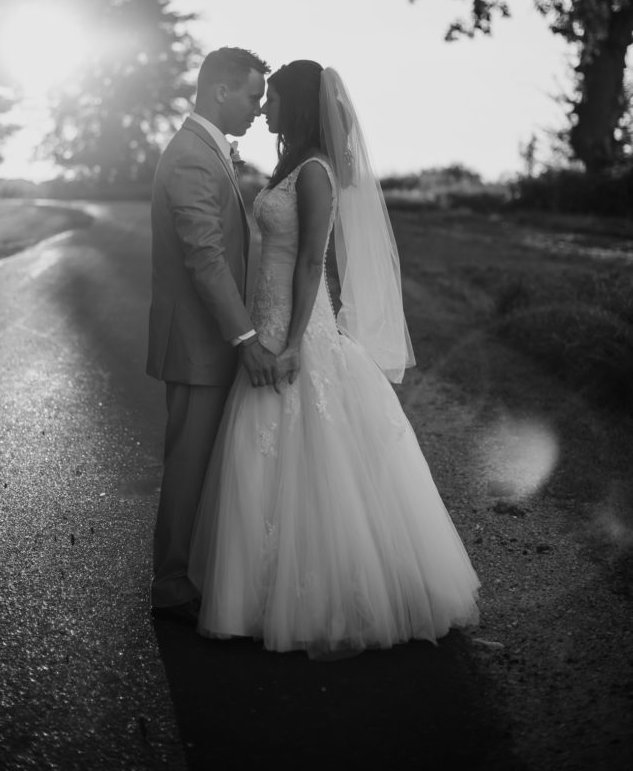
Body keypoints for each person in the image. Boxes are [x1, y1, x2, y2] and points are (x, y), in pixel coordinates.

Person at [189, 60, 480, 658]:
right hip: (264, 322)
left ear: (295, 107)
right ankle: (259, 594)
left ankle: (321, 599)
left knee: (309, 456)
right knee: (260, 456)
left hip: (297, 329)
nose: (263, 109)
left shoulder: (316, 172)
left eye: (271, 101)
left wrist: (293, 341)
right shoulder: (288, 166)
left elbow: (309, 264)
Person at [147, 46, 280, 624]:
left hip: (208, 338)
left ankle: (191, 570)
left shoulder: (206, 151)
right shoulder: (193, 158)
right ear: (221, 91)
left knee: (201, 460)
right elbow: (205, 257)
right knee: (188, 461)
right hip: (201, 342)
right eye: (253, 95)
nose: (259, 108)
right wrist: (246, 339)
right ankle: (172, 581)